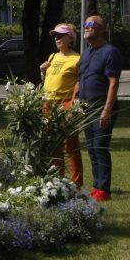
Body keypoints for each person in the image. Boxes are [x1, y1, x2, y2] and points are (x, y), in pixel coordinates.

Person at [72, 15, 122, 201]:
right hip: (85, 108)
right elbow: (80, 80)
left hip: (101, 107)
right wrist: (75, 99)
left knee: (100, 147)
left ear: (101, 29)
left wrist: (107, 110)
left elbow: (113, 82)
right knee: (92, 149)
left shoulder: (110, 52)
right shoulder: (86, 53)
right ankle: (96, 186)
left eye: (90, 25)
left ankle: (104, 189)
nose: (86, 28)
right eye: (85, 25)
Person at [40, 23, 82, 185]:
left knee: (70, 145)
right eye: (54, 36)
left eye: (60, 35)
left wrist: (73, 104)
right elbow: (48, 81)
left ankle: (76, 183)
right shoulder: (52, 57)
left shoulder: (77, 59)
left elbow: (79, 82)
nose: (56, 38)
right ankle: (58, 182)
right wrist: (43, 71)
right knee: (53, 144)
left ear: (70, 38)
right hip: (48, 103)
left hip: (66, 103)